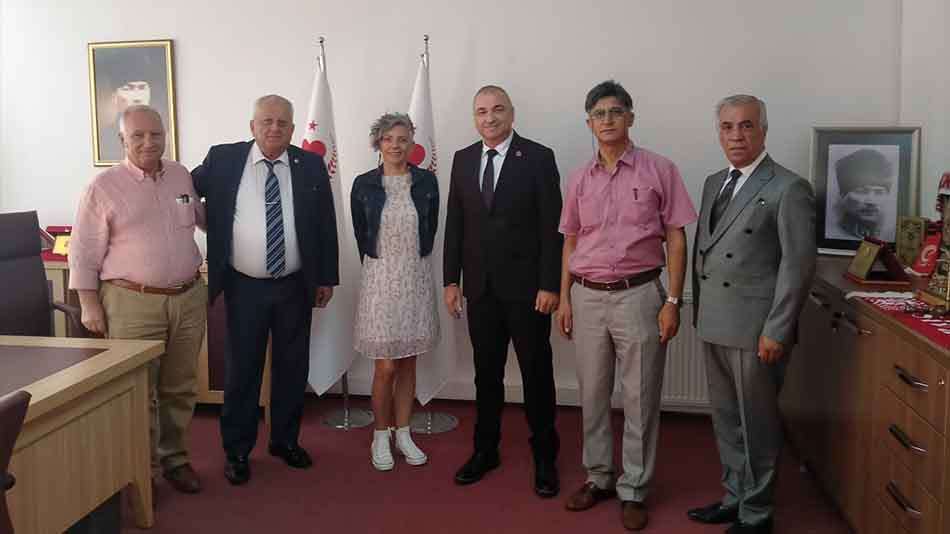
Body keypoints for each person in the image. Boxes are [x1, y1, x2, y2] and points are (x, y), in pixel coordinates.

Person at [555, 80, 696, 531]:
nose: (608, 120)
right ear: (589, 123)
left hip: (640, 295)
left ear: (630, 117)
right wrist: (564, 297)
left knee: (640, 396)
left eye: (616, 111)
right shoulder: (579, 178)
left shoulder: (660, 169)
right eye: (599, 114)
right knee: (593, 394)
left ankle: (634, 488)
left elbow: (676, 237)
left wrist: (672, 300)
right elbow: (570, 240)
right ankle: (598, 477)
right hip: (587, 296)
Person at [192, 94, 339, 485]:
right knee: (243, 369)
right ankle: (237, 450)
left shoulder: (309, 165)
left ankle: (285, 441)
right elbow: (182, 188)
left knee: (292, 367)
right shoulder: (223, 159)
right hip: (244, 286)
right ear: (252, 126)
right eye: (267, 121)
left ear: (293, 129)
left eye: (283, 122)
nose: (275, 128)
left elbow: (326, 222)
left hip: (295, 285)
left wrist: (326, 277)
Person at [688, 95, 816, 534]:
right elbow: (703, 251)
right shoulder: (713, 182)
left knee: (756, 423)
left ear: (763, 130)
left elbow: (797, 267)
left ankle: (757, 513)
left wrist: (777, 329)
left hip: (756, 328)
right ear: (718, 132)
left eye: (746, 125)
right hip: (715, 320)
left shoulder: (788, 187)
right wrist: (698, 312)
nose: (736, 135)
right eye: (727, 127)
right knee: (726, 420)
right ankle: (734, 496)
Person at [70, 104, 207, 494]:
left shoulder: (180, 174)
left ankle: (175, 460)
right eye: (138, 136)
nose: (149, 142)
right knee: (138, 393)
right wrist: (89, 304)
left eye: (156, 134)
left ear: (166, 135)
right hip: (131, 302)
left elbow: (202, 219)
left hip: (187, 298)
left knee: (181, 387)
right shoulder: (102, 188)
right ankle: (141, 472)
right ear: (122, 140)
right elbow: (83, 251)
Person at [443, 85, 562, 497]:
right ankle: (485, 450)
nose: (489, 117)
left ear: (511, 113)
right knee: (486, 375)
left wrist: (550, 284)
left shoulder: (538, 157)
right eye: (481, 111)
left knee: (536, 374)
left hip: (529, 292)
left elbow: (552, 227)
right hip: (480, 289)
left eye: (497, 109)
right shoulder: (462, 159)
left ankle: (545, 457)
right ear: (474, 117)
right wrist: (451, 280)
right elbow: (455, 223)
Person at [350, 113, 440, 471]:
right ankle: (380, 435)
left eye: (403, 139)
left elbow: (431, 228)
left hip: (415, 278)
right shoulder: (363, 185)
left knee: (408, 362)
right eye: (388, 139)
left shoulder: (427, 182)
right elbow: (361, 233)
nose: (396, 145)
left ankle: (404, 433)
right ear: (378, 143)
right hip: (380, 281)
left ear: (412, 143)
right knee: (385, 366)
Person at [831, 148, 895, 240]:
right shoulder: (832, 234)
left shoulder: (890, 235)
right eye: (861, 191)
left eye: (879, 192)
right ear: (842, 194)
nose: (871, 201)